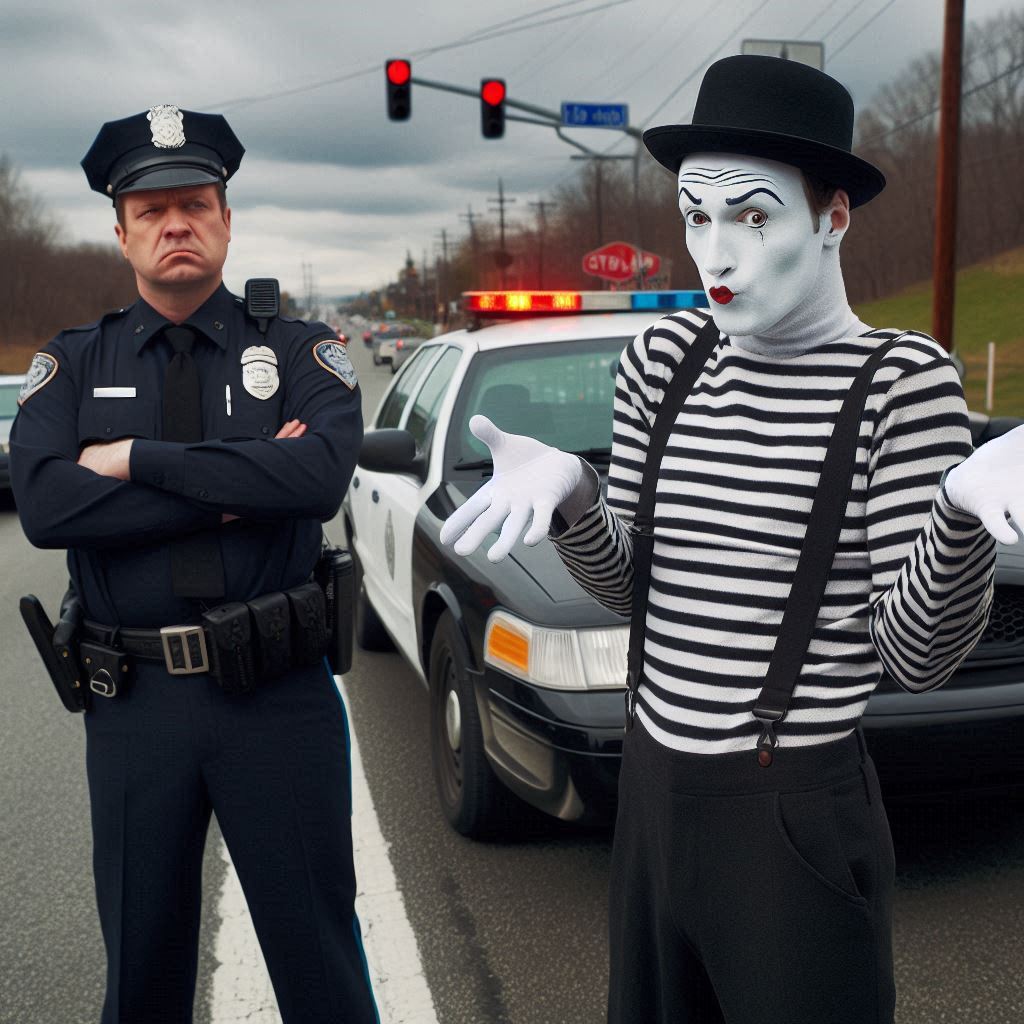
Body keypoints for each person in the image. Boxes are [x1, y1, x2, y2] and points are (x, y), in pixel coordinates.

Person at [441, 56, 1022, 1023]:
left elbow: (915, 659)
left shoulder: (899, 382)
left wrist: (957, 516)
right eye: (696, 216)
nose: (716, 254)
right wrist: (578, 498)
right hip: (651, 788)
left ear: (833, 217)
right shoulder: (662, 360)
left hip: (792, 809)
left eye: (753, 216)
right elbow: (637, 591)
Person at [11, 105, 377, 1024]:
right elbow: (48, 507)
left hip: (279, 699)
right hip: (134, 705)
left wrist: (133, 459)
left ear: (225, 219)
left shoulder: (297, 349)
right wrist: (242, 485)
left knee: (322, 971)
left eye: (195, 205)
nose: (176, 224)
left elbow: (317, 477)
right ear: (122, 233)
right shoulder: (72, 362)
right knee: (142, 974)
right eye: (152, 210)